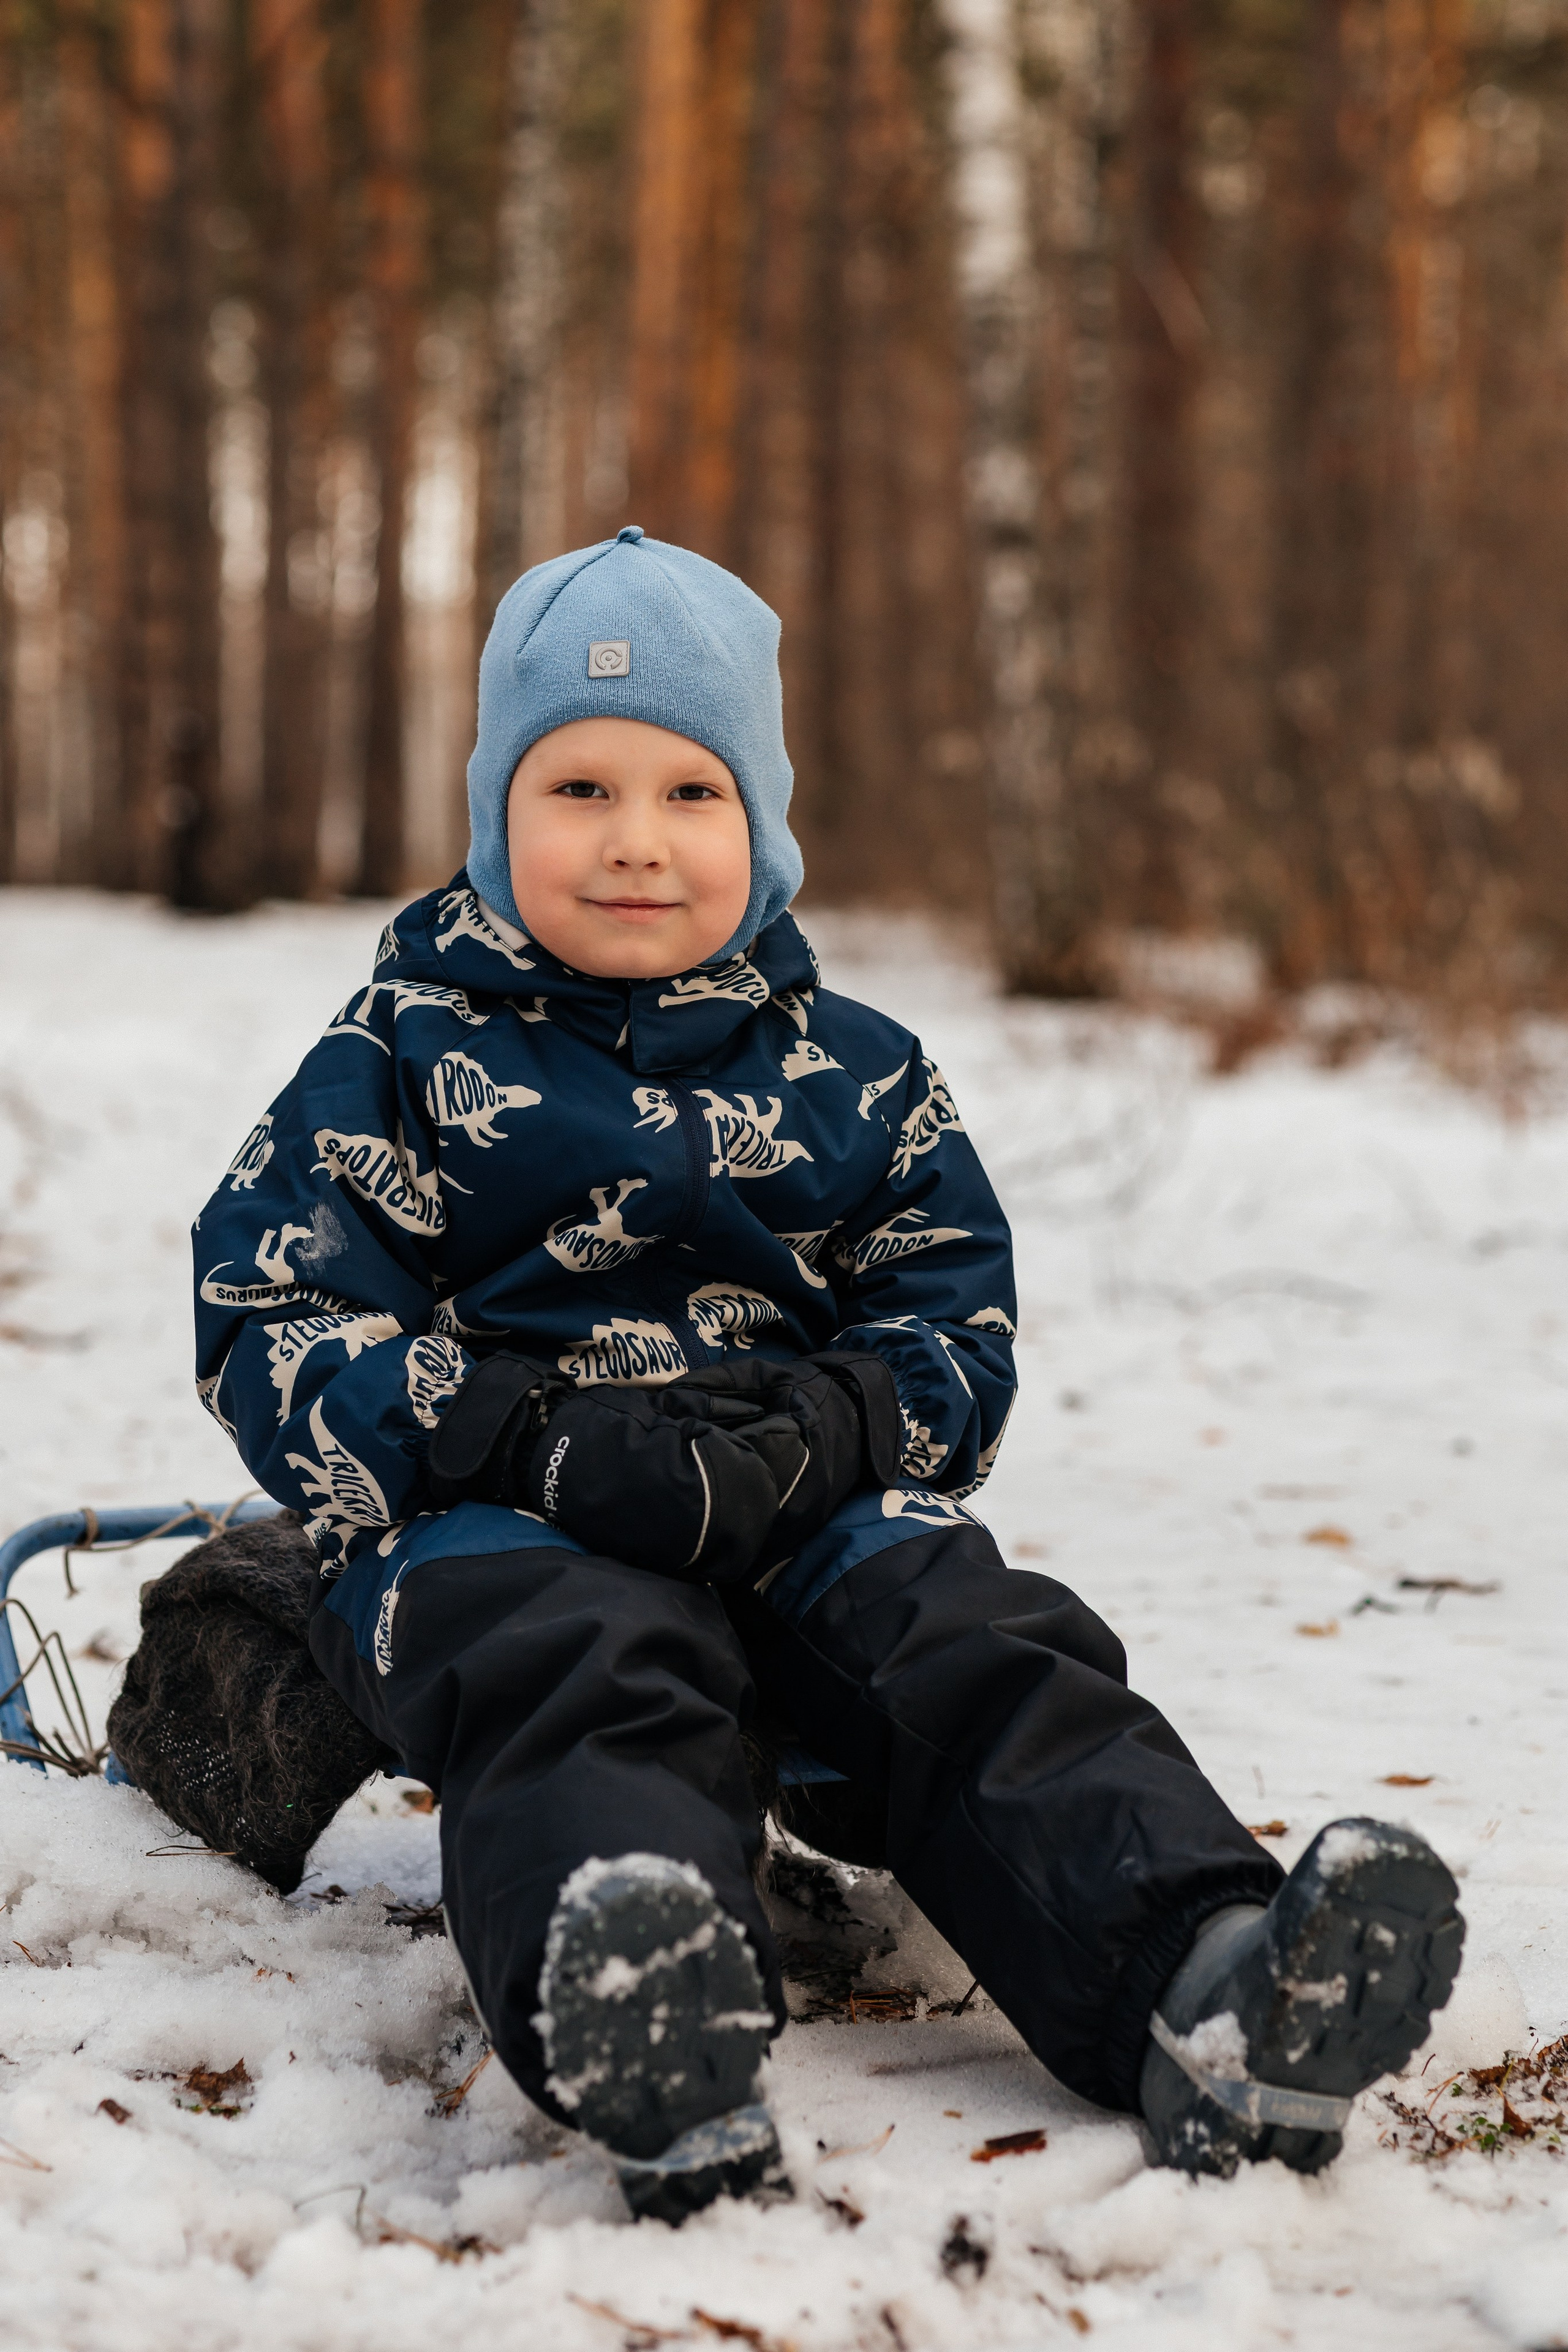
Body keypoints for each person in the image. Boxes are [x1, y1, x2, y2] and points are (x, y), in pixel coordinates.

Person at [192, 528, 1463, 2222]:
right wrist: (511, 1432)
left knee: (976, 1647)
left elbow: (955, 1322)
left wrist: (837, 1424)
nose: (636, 842)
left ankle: (1206, 1975)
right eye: (577, 789)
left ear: (765, 822)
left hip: (797, 1511)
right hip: (497, 1535)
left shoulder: (858, 1076)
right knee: (583, 1669)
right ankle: (644, 2008)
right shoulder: (396, 1062)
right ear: (496, 810)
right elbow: (267, 1314)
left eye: (690, 794)